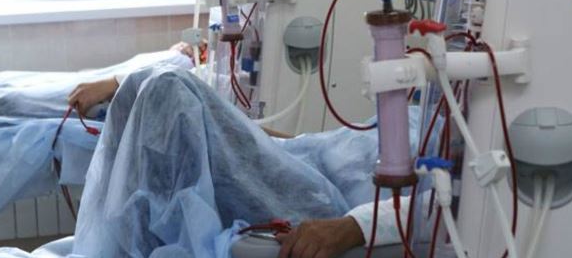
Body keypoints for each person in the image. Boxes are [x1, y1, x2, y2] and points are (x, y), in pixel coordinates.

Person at [66, 45, 414, 258]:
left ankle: (133, 248)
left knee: (167, 87)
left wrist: (351, 227)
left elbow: (429, 211)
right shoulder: (410, 118)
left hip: (322, 201)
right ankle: (119, 247)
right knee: (139, 85)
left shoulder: (438, 151)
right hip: (298, 158)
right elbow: (316, 140)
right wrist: (241, 131)